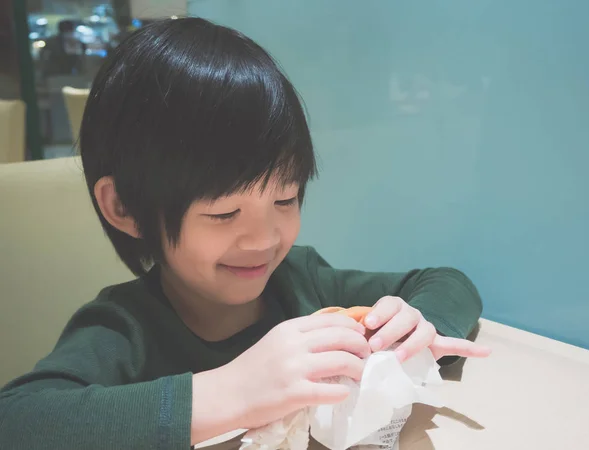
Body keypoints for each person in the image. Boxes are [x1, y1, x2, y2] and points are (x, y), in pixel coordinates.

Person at [0, 18, 490, 449]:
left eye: (284, 199)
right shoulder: (123, 330)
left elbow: (448, 281)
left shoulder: (301, 280)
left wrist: (414, 331)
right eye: (223, 214)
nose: (264, 240)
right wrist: (231, 391)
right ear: (124, 207)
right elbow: (18, 421)